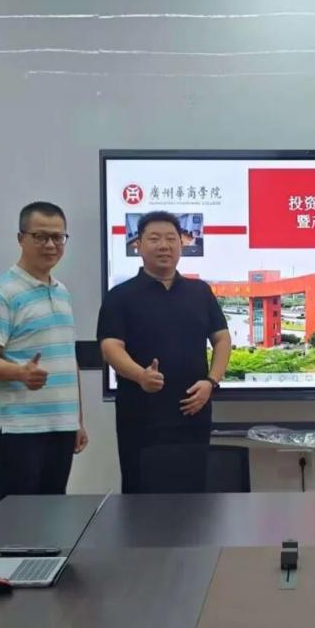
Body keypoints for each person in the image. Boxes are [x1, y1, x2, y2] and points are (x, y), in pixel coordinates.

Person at [97, 211, 231, 493]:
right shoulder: (120, 296)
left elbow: (221, 339)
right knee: (141, 495)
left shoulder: (200, 292)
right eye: (154, 238)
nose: (164, 246)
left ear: (182, 244)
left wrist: (211, 382)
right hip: (141, 416)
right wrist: (140, 375)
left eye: (171, 238)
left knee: (194, 494)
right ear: (138, 245)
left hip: (193, 412)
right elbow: (110, 347)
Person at [0, 202, 88, 505]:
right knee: (16, 519)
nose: (51, 245)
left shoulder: (62, 291)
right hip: (20, 429)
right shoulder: (2, 292)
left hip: (61, 426)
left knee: (52, 515)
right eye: (40, 236)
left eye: (58, 237)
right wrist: (20, 373)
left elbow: (69, 359)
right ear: (21, 238)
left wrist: (76, 420)